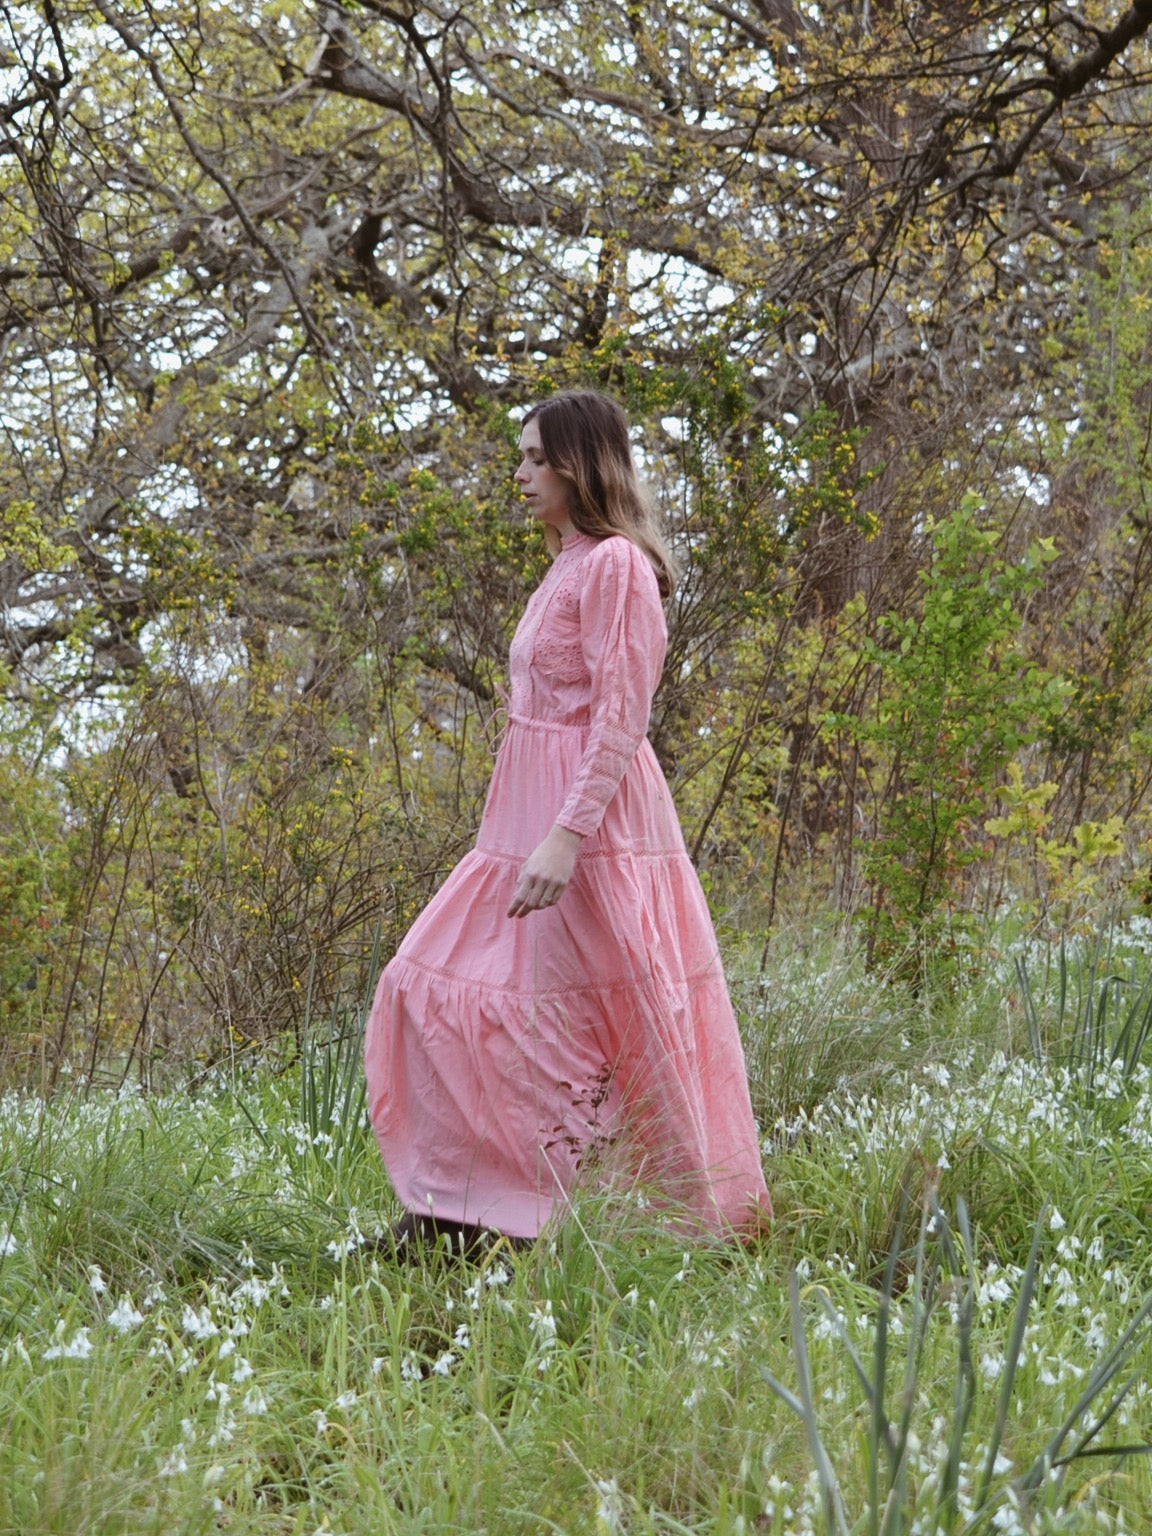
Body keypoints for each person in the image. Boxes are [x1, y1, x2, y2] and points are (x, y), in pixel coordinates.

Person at [364, 390, 771, 1253]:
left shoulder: (616, 565)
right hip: (522, 818)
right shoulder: (566, 560)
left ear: (580, 465)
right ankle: (471, 1207)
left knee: (577, 1023)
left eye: (534, 459)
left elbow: (622, 714)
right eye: (521, 457)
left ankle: (555, 1223)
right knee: (429, 982)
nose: (519, 475)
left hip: (591, 829)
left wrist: (566, 835)